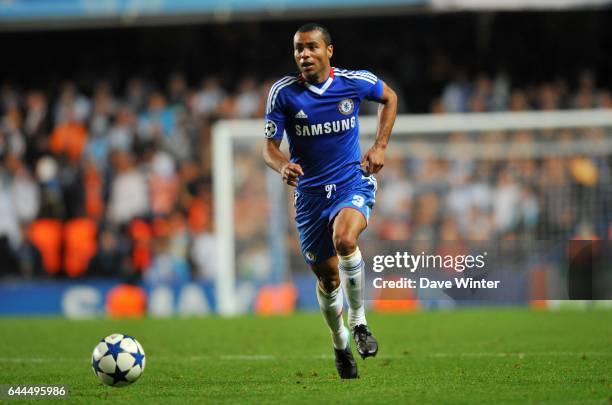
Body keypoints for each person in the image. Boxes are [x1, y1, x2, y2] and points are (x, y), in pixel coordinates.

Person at [262, 23, 397, 379]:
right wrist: (282, 166)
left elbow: (390, 97)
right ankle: (340, 345)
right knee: (327, 279)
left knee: (345, 239)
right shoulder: (283, 93)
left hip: (351, 181)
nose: (304, 54)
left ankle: (360, 323)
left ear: (329, 51)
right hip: (309, 197)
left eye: (311, 47)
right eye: (298, 49)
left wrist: (380, 145)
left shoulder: (354, 81)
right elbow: (270, 148)